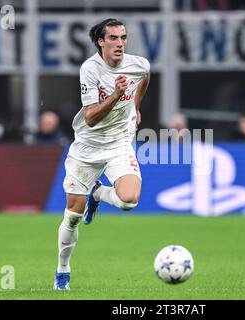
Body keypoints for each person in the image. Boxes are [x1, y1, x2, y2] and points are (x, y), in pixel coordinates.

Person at [54, 18, 150, 290]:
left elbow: (145, 78)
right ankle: (63, 270)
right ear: (100, 41)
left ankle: (97, 193)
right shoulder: (90, 69)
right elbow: (91, 117)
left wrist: (135, 106)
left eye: (123, 37)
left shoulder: (139, 64)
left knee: (130, 201)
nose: (120, 43)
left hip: (119, 142)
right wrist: (117, 96)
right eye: (113, 38)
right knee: (73, 214)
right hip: (87, 146)